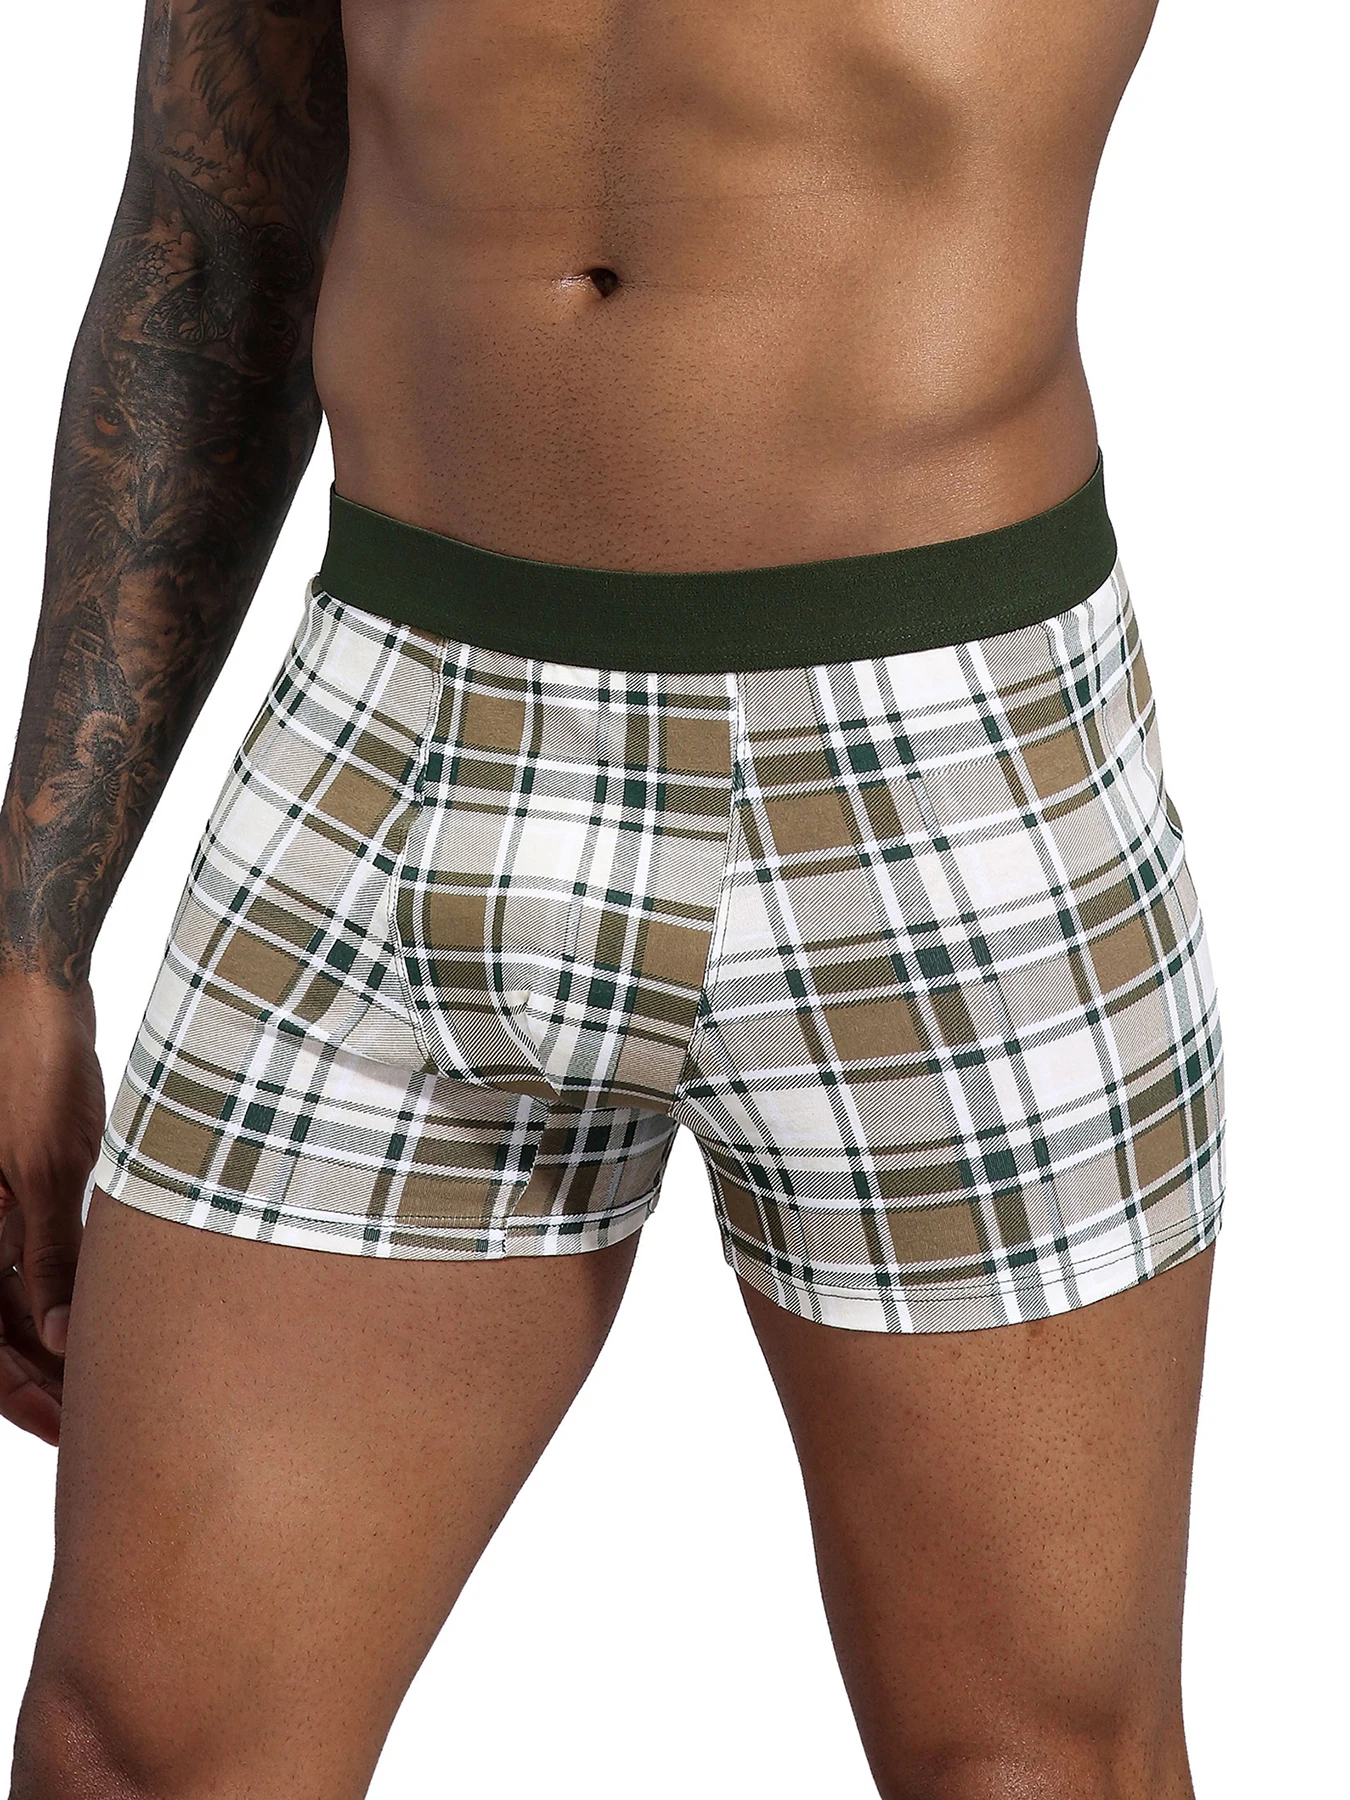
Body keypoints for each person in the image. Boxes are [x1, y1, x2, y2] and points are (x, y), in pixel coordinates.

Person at [0, 0, 1225, 1794]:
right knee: (132, 1751)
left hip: (930, 750)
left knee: (1032, 1762)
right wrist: (32, 934)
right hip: (394, 728)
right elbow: (214, 229)